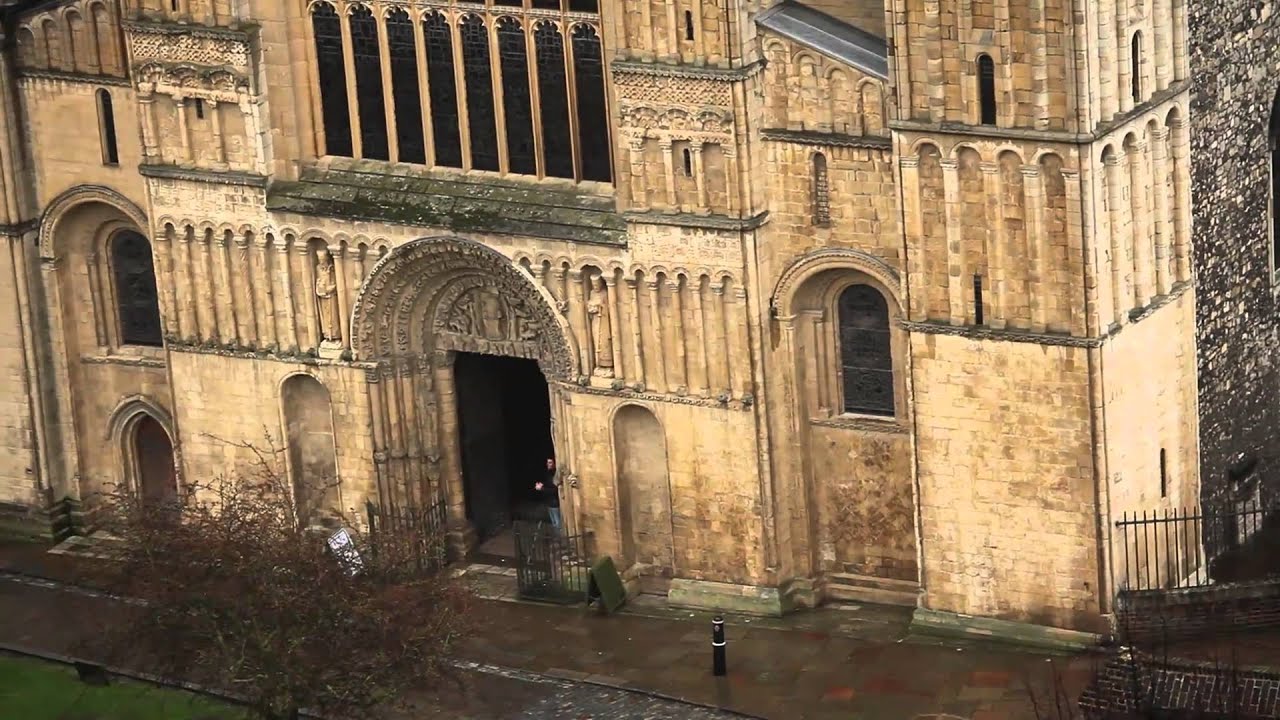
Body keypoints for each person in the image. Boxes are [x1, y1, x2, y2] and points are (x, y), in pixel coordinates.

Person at [534, 458, 561, 535]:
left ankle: (559, 539)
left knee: (557, 523)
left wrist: (542, 488)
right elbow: (548, 484)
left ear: (555, 463)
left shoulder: (555, 475)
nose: (548, 464)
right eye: (547, 462)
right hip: (549, 502)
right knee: (554, 522)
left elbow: (554, 490)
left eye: (550, 462)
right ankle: (557, 537)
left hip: (555, 502)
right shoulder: (548, 474)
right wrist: (541, 485)